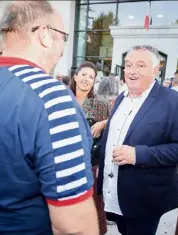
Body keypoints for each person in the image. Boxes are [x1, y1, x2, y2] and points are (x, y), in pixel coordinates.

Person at [0, 2, 98, 234]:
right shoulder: (53, 98)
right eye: (63, 38)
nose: (62, 49)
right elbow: (73, 225)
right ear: (45, 35)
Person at [97, 45, 178, 235]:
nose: (132, 71)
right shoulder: (121, 98)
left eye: (141, 65)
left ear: (155, 70)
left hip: (146, 197)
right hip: (116, 191)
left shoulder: (174, 102)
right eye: (128, 65)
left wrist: (138, 154)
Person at [70, 61, 112, 235]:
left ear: (95, 81)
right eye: (84, 74)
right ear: (75, 76)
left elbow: (115, 124)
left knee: (93, 206)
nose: (86, 79)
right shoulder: (63, 98)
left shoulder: (100, 104)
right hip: (64, 162)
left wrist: (103, 122)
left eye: (91, 77)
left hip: (90, 164)